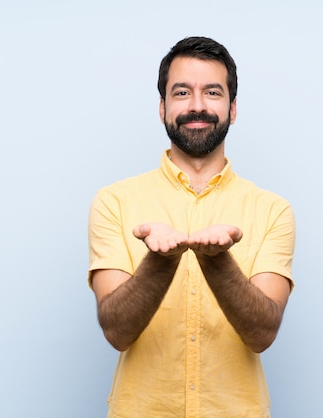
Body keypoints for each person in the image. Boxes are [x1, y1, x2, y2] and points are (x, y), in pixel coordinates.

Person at [88, 36, 296, 417]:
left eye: (212, 92)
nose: (197, 105)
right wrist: (160, 262)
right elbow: (116, 332)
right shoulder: (114, 202)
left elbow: (262, 334)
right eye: (182, 92)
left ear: (232, 109)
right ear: (162, 107)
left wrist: (218, 262)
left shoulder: (272, 210)